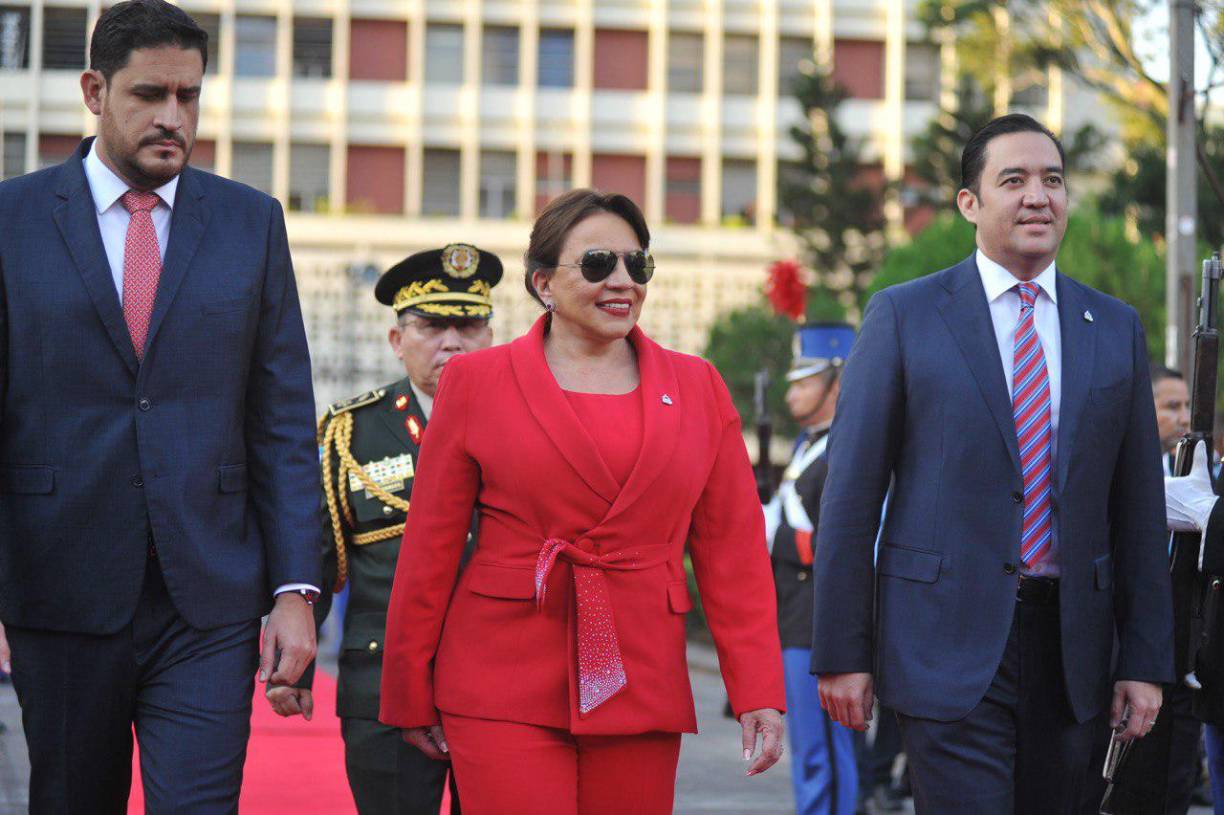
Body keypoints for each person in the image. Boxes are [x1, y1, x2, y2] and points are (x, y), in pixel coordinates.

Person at [0, 0, 322, 810]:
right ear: (94, 90)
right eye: (149, 94)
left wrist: (294, 590)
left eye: (189, 96)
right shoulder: (12, 220)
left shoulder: (251, 224)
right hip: (59, 586)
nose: (172, 117)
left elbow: (282, 422)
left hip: (208, 597)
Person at [378, 188, 787, 814]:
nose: (622, 280)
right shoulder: (475, 383)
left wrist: (758, 688)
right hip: (500, 675)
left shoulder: (698, 385)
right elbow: (430, 548)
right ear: (544, 282)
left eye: (637, 264)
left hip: (640, 672)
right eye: (597, 264)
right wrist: (409, 689)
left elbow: (732, 551)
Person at [811, 113, 1173, 814]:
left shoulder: (1115, 328)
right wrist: (842, 650)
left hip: (1074, 652)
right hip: (943, 647)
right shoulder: (905, 316)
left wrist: (1144, 662)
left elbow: (1137, 509)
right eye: (1014, 180)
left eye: (1053, 180)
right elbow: (851, 499)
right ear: (969, 203)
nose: (1038, 196)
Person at [267, 245, 501, 814]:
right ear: (398, 341)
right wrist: (291, 666)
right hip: (382, 682)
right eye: (432, 325)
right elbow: (319, 554)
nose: (452, 341)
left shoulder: (522, 423)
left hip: (500, 679)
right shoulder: (352, 431)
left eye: (468, 325)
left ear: (491, 336)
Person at [764, 323, 859, 815]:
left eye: (805, 381)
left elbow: (832, 545)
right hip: (796, 615)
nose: (792, 391)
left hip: (822, 620)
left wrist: (768, 533)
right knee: (809, 749)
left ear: (836, 383)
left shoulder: (846, 449)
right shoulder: (808, 444)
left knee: (826, 749)